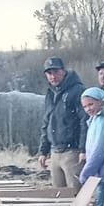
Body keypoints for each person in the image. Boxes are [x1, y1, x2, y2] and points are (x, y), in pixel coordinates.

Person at [38, 57, 87, 188]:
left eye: (56, 72)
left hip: (73, 152)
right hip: (55, 152)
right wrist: (43, 151)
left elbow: (84, 121)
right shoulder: (50, 93)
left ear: (63, 71)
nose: (53, 76)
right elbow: (46, 122)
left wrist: (83, 149)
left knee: (76, 195)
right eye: (49, 73)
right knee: (58, 196)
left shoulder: (77, 91)